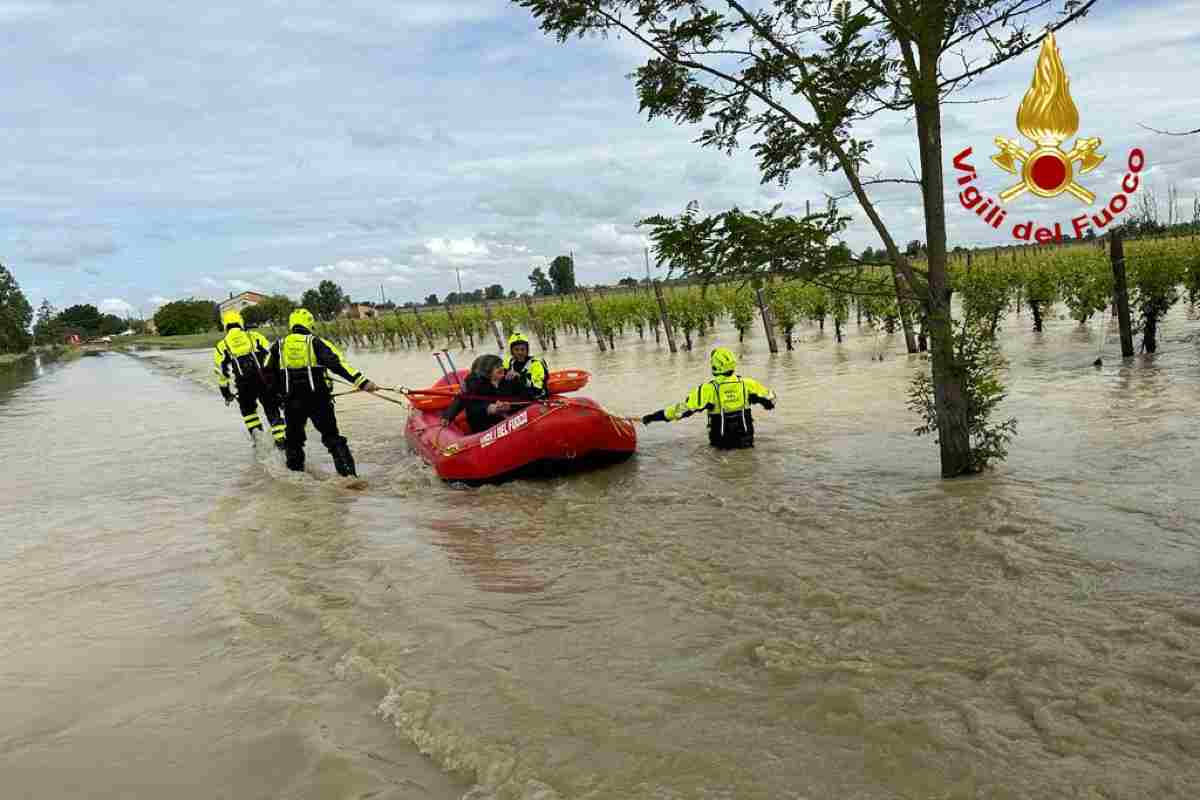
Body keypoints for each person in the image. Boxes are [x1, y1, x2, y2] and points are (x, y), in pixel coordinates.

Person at [266, 308, 378, 477]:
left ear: (291, 324)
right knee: (332, 438)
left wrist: (278, 397)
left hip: (292, 403)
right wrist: (362, 382)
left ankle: (295, 479)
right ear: (310, 324)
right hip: (319, 400)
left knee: (294, 442)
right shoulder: (316, 342)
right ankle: (349, 479)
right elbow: (338, 365)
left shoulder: (278, 346)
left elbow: (268, 373)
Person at [640, 347, 776, 449]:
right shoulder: (748, 384)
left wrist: (653, 417)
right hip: (746, 442)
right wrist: (760, 401)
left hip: (721, 444)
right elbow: (771, 400)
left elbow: (681, 411)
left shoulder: (707, 389)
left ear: (714, 365)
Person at [213, 309, 286, 449]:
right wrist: (279, 383)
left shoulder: (222, 345)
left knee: (249, 413)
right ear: (240, 322)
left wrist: (226, 393)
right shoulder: (255, 336)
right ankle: (281, 441)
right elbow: (273, 358)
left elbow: (221, 373)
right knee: (272, 410)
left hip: (244, 385)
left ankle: (259, 443)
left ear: (225, 326)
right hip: (264, 381)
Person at [440, 354, 518, 434]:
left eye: (501, 365)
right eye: (497, 367)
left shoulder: (508, 378)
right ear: (486, 373)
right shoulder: (474, 384)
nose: (501, 368)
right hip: (483, 422)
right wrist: (447, 416)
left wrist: (510, 405)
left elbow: (520, 398)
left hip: (506, 416)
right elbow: (461, 400)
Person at [503, 331, 549, 400]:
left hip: (534, 398)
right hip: (516, 397)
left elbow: (537, 389)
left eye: (522, 349)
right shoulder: (509, 362)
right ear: (512, 351)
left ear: (527, 350)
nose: (520, 352)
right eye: (516, 350)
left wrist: (520, 377)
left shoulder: (536, 364)